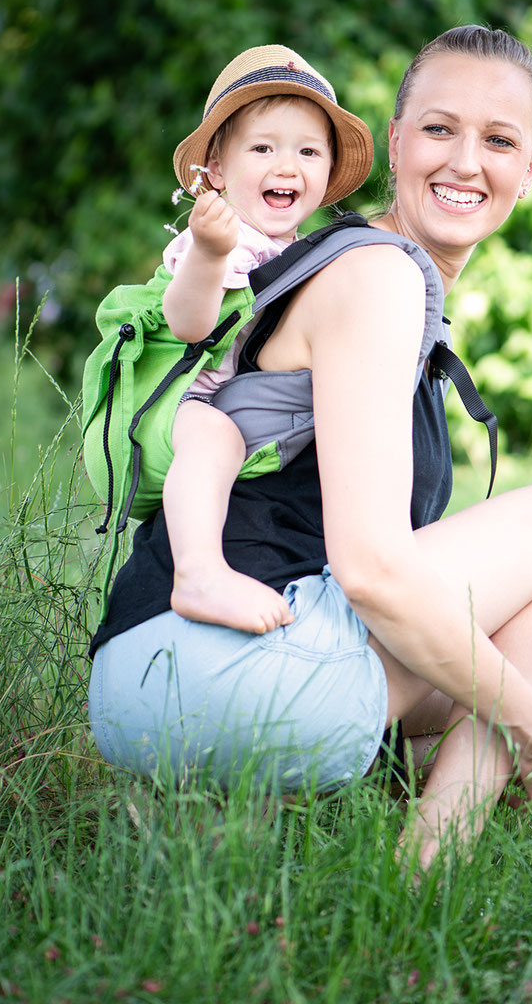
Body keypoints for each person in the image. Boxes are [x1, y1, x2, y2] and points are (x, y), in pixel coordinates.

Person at [87, 25, 532, 868]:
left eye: (498, 141)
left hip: (145, 676)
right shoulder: (377, 275)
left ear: (531, 167)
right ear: (396, 141)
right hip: (220, 658)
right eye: (439, 129)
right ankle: (428, 871)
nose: (465, 162)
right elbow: (375, 573)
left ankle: (244, 825)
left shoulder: (339, 268)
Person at [160, 44, 373, 634]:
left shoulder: (295, 249)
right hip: (182, 395)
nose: (287, 166)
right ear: (217, 170)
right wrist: (209, 255)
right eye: (262, 148)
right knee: (215, 438)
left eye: (308, 151)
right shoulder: (222, 236)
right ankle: (197, 573)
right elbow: (187, 324)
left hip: (233, 398)